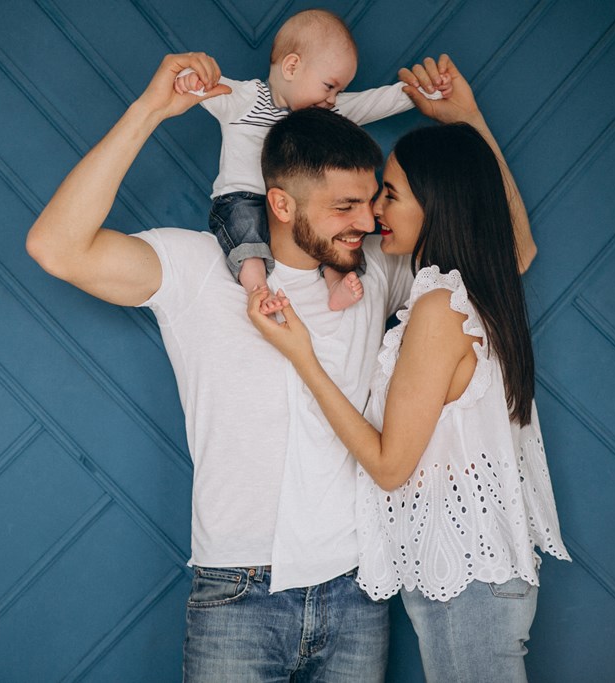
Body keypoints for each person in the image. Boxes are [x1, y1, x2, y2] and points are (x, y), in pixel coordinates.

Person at [248, 55, 570, 683]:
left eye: (389, 194)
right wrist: (468, 121)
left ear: (436, 203)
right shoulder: (469, 289)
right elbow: (519, 246)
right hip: (475, 575)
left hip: (467, 583)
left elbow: (391, 467)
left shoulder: (438, 306)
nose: (373, 214)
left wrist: (303, 357)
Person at [174, 9, 446, 311]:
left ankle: (335, 285)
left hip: (299, 209)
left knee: (325, 243)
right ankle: (257, 290)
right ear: (292, 67)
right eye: (330, 86)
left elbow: (373, 102)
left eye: (339, 91)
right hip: (242, 198)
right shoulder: (245, 100)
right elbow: (206, 85)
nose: (333, 98)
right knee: (247, 243)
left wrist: (422, 91)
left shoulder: (324, 115)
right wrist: (190, 77)